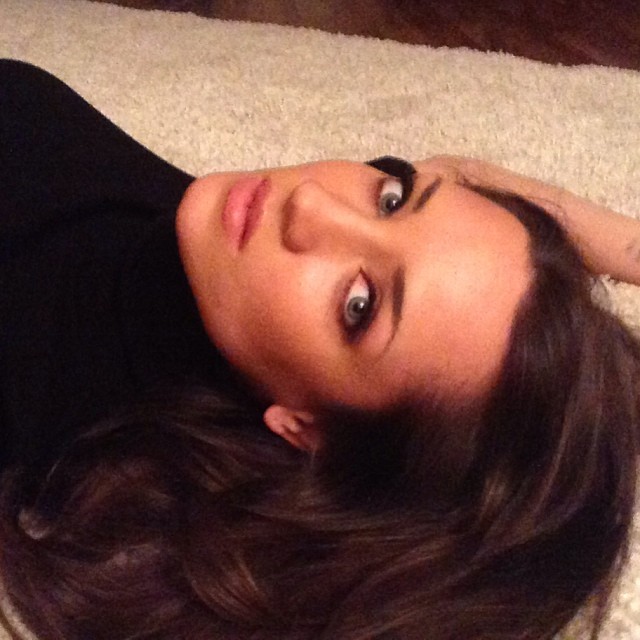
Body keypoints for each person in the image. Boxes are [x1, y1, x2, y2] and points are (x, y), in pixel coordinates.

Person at [0, 58, 639, 640]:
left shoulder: (30, 384)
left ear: (307, 429)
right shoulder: (235, 260)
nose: (312, 203)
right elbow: (457, 173)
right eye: (394, 199)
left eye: (359, 306)